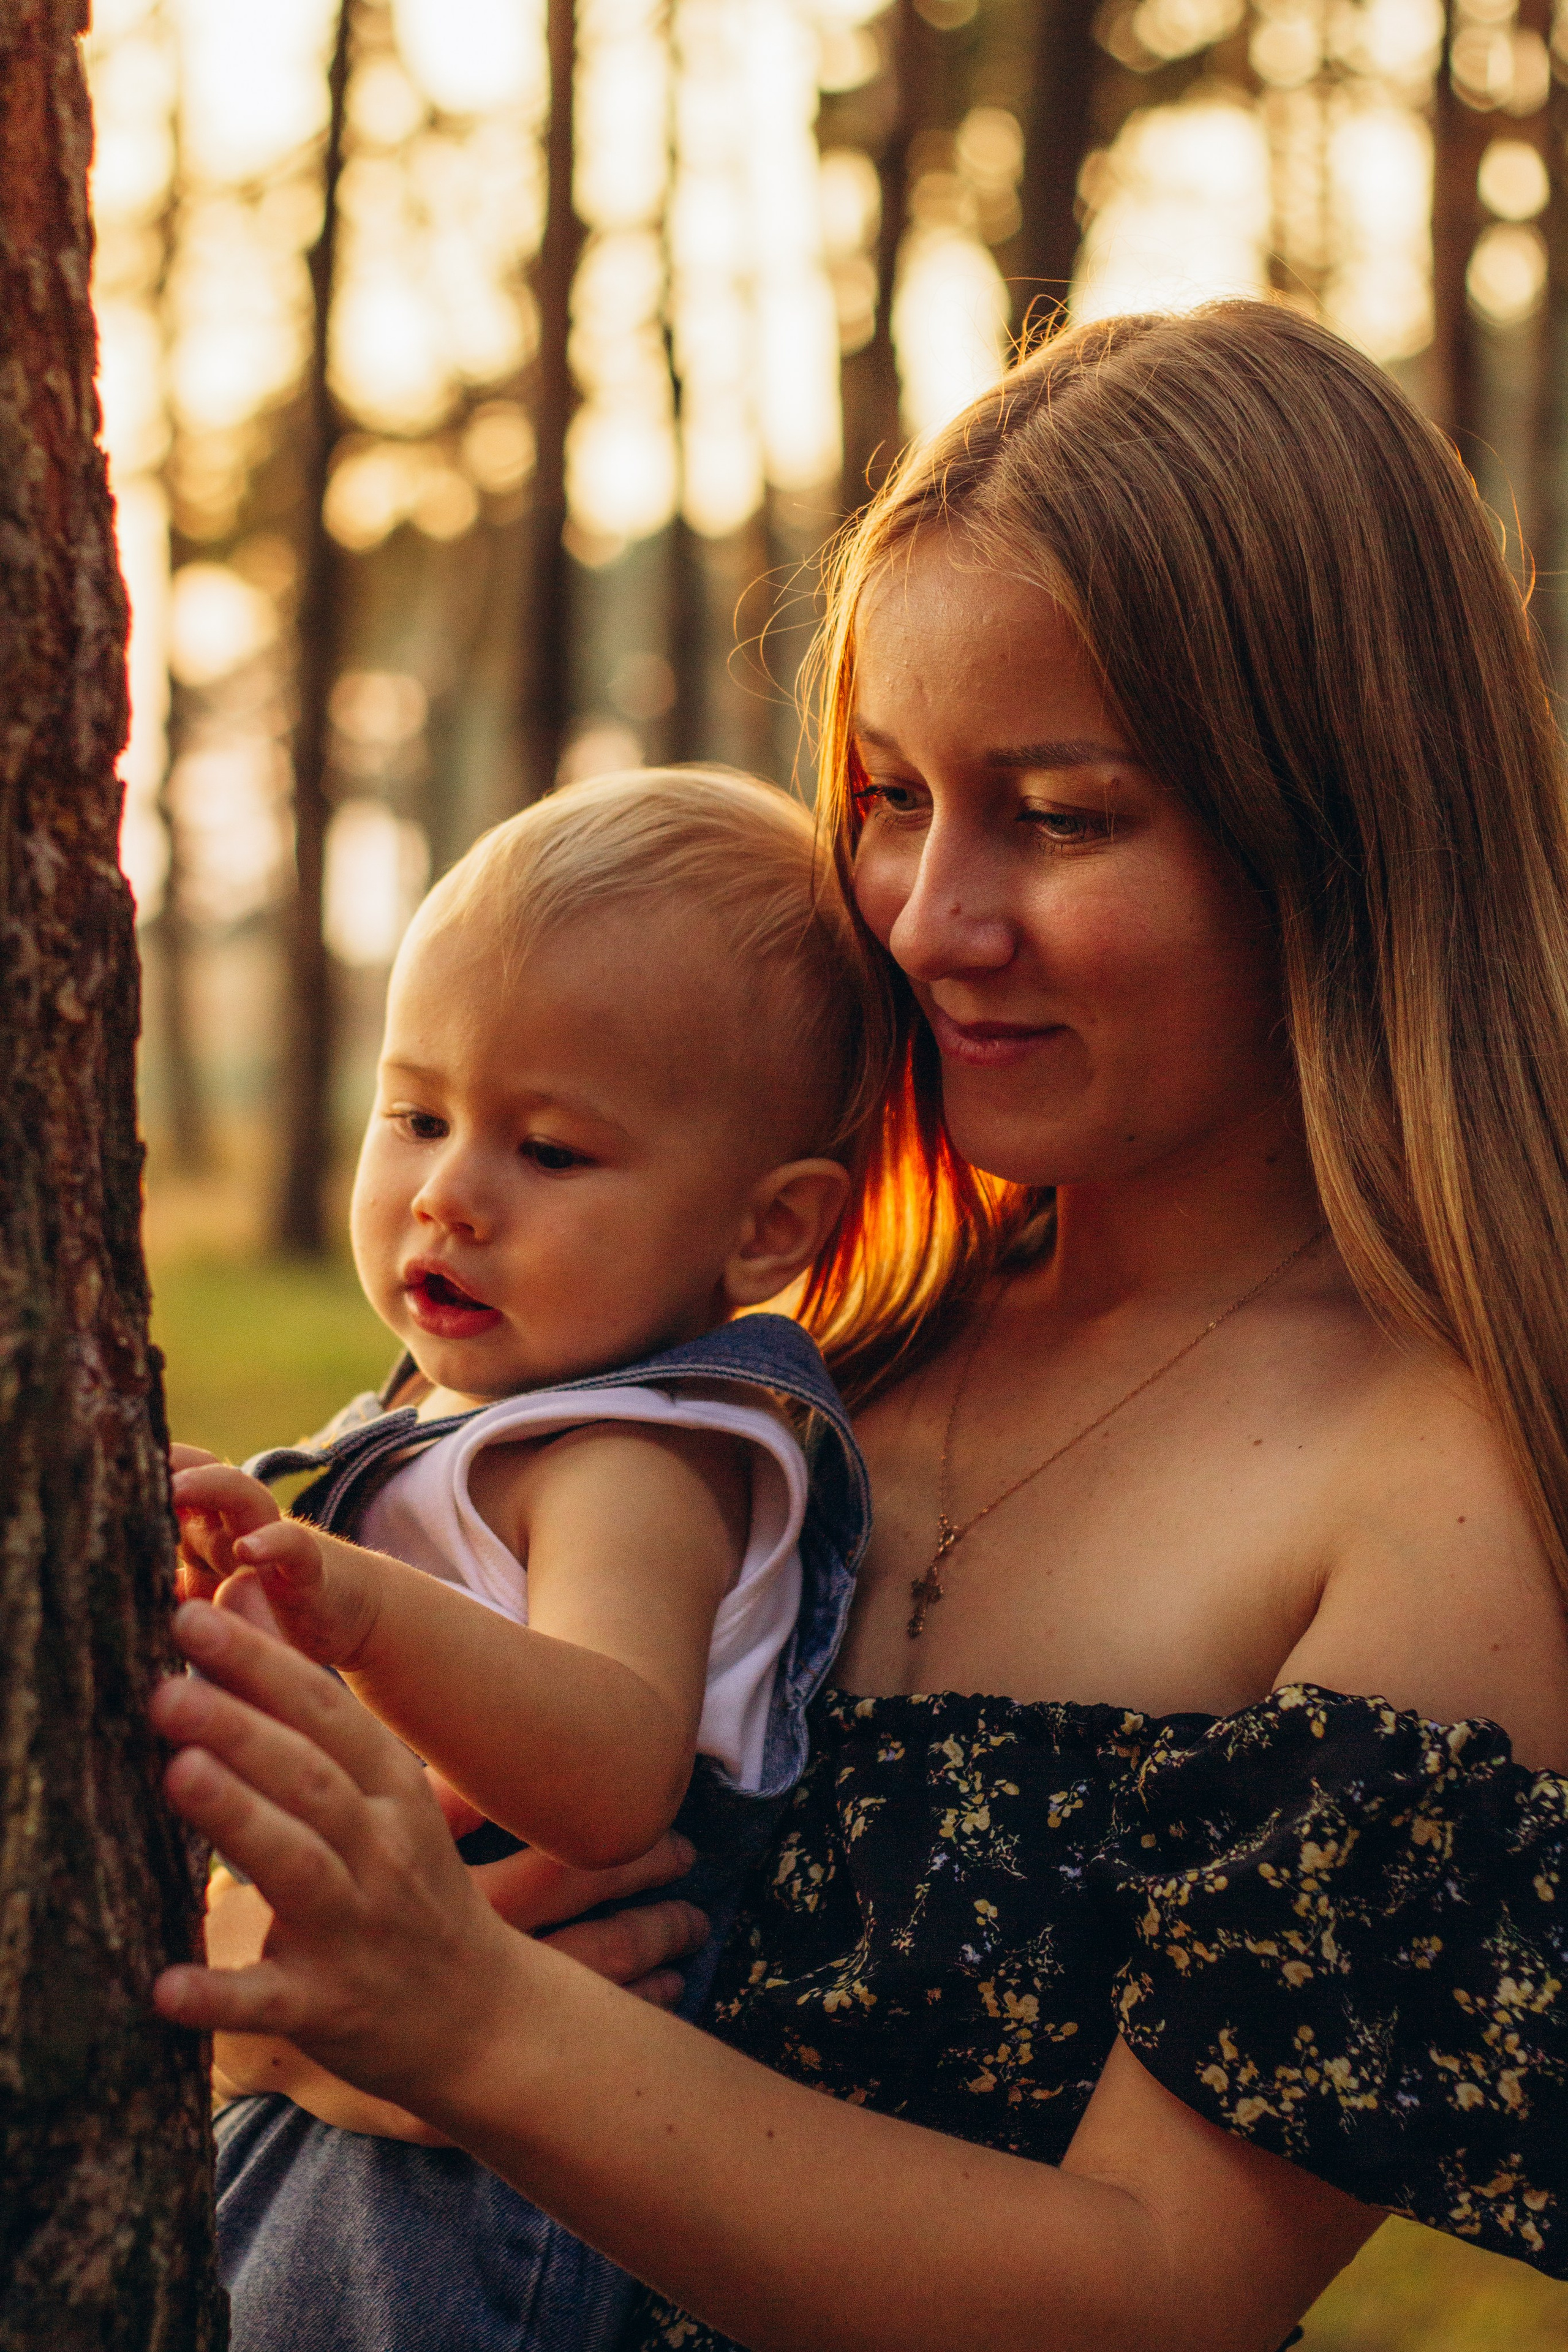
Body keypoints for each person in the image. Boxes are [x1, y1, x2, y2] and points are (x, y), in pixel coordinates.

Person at [155, 301, 1568, 2352]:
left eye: (1064, 815)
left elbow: (1160, 2296)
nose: (927, 915)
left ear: (1336, 829)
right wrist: (286, 1996)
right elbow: (335, 1905)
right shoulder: (777, 1323)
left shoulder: (1443, 1509)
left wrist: (477, 2036)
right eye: (893, 795)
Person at [174, 767, 875, 2352]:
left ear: (768, 1230)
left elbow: (616, 1763)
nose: (447, 1192)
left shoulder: (635, 1457)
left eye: (548, 1151)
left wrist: (348, 1597)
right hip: (366, 2091)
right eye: (417, 1114)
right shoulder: (477, 1415)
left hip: (491, 2197)